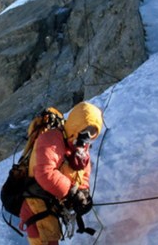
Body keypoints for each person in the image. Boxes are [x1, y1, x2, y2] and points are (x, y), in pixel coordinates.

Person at [19, 102, 103, 244]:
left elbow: (83, 170)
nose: (87, 135)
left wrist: (83, 192)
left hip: (50, 204)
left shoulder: (78, 145)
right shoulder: (51, 139)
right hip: (34, 205)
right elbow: (45, 173)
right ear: (76, 124)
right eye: (86, 129)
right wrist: (72, 193)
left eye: (92, 132)